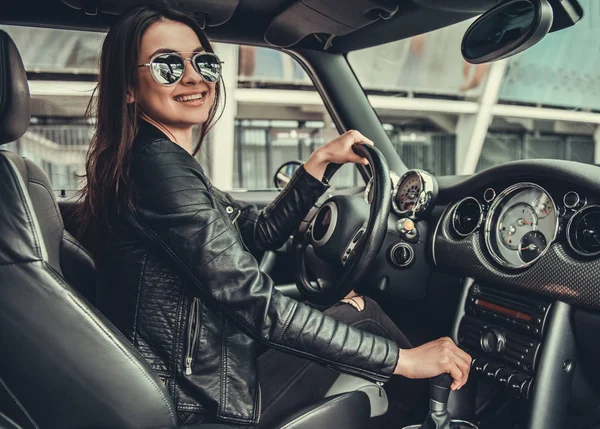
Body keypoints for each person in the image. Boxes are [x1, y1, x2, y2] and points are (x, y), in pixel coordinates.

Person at [77, 4, 472, 427]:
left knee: (355, 310)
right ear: (129, 89)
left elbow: (254, 233)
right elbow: (256, 305)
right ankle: (452, 415)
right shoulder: (160, 169)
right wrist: (406, 360)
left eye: (203, 62)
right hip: (204, 401)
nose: (193, 77)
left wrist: (319, 164)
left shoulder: (154, 160)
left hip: (202, 372)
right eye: (167, 65)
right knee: (368, 317)